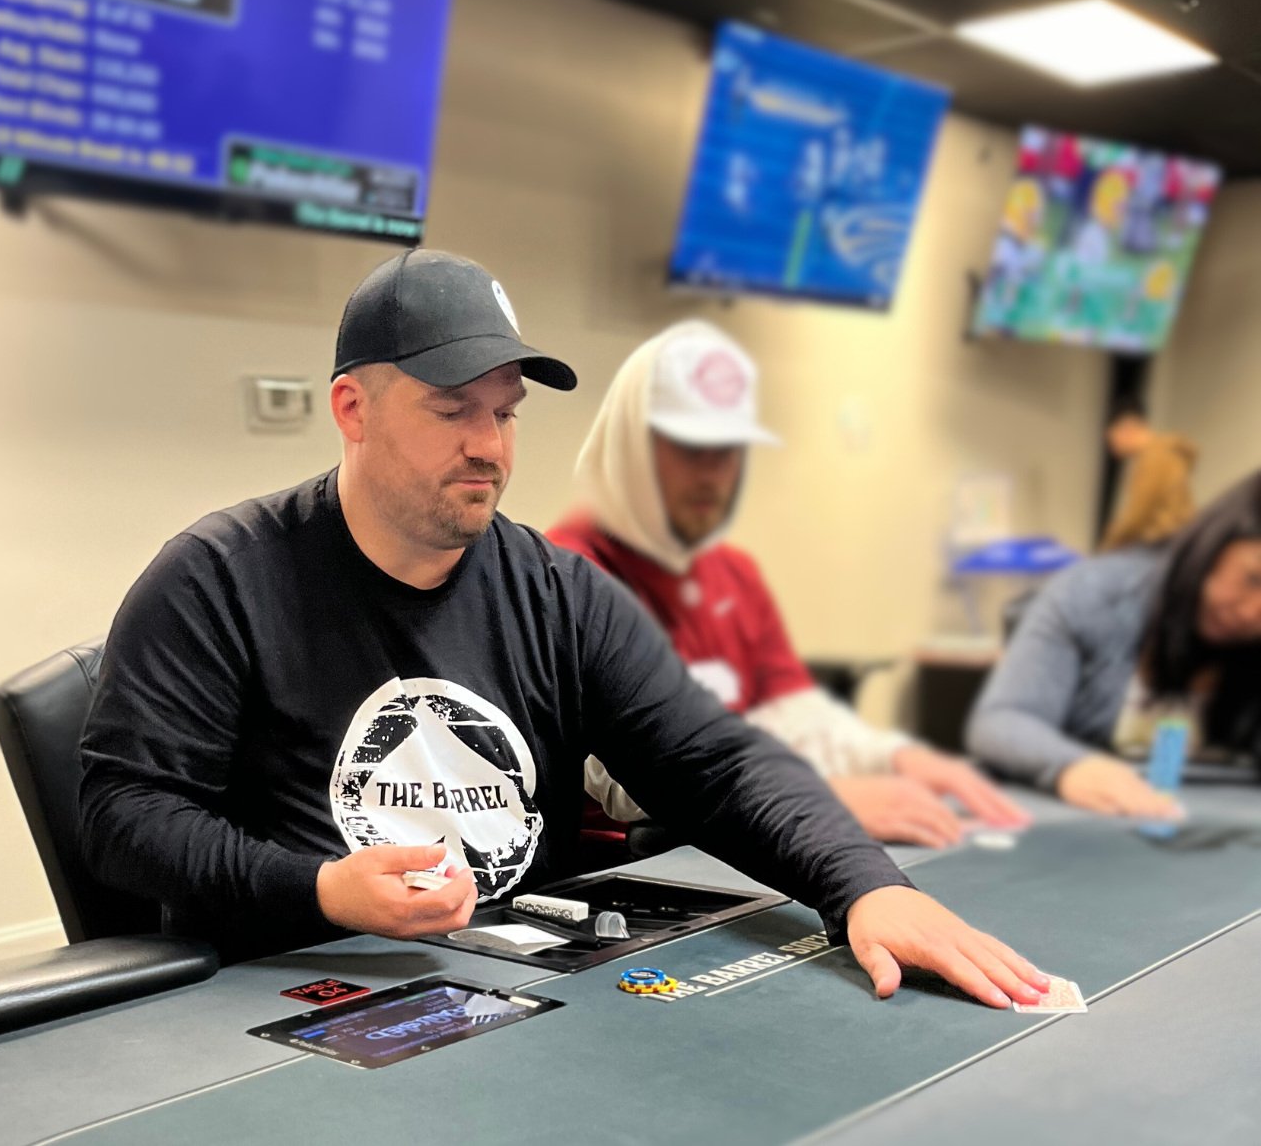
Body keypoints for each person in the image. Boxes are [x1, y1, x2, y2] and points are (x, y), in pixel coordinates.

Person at [79, 250, 1047, 1009]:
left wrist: (865, 887)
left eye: (506, 413)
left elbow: (715, 762)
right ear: (352, 410)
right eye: (451, 408)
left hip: (523, 983)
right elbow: (126, 817)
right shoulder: (218, 578)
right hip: (302, 987)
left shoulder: (557, 590)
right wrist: (324, 887)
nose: (488, 447)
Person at [547, 321, 1029, 851]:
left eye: (728, 451)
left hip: (756, 836)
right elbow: (630, 776)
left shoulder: (732, 571)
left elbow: (797, 714)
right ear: (629, 449)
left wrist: (896, 757)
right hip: (631, 868)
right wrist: (820, 794)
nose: (713, 474)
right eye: (690, 448)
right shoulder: (568, 576)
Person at [969, 470, 1261, 816]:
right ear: (1213, 542)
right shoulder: (1092, 593)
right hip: (1087, 830)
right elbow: (1001, 719)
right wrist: (1069, 766)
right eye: (1252, 579)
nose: (1252, 613)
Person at [1100, 398, 1197, 552]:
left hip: (1162, 546)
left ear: (1127, 427)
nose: (1112, 447)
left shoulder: (1154, 457)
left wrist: (1108, 543)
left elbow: (1137, 516)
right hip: (1170, 544)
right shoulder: (1161, 453)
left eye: (1112, 438)